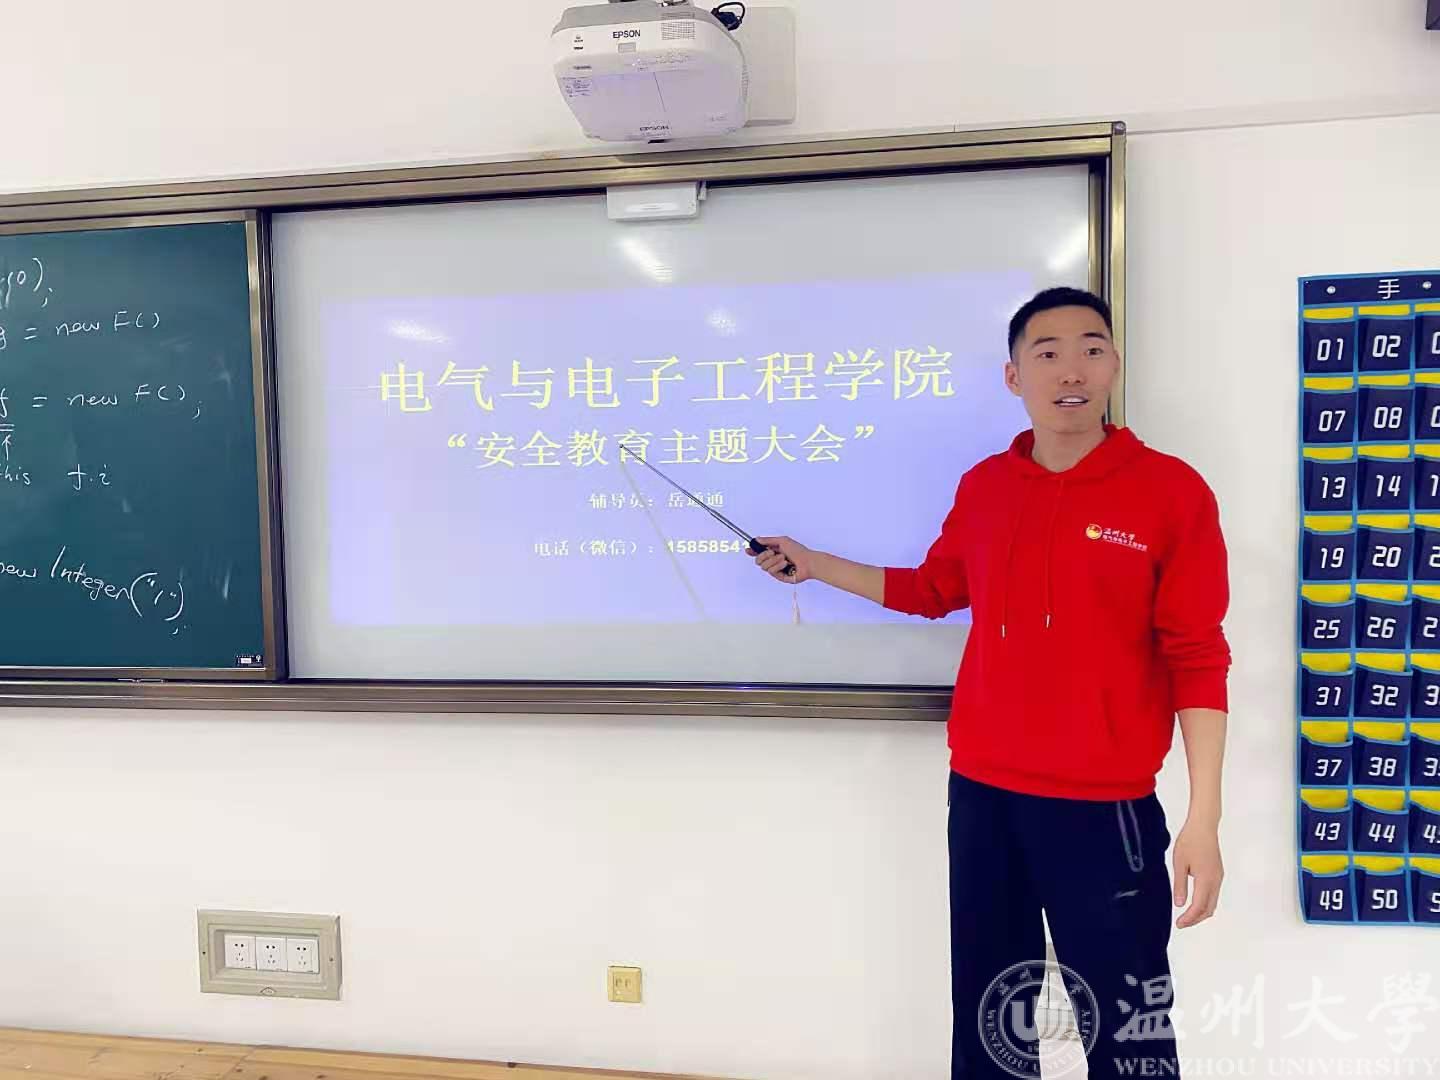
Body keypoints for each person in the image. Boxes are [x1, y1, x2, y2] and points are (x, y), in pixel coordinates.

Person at [753, 287, 1230, 1080]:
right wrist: (815, 564)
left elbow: (1199, 656)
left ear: (1113, 364)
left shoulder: (1171, 492)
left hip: (1103, 807)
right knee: (989, 1021)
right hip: (983, 796)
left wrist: (1203, 820)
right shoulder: (986, 487)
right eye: (1047, 352)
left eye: (1091, 348)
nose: (1071, 369)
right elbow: (931, 590)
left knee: (1128, 1032)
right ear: (1014, 376)